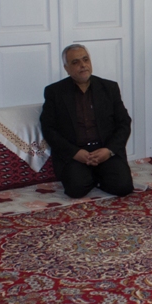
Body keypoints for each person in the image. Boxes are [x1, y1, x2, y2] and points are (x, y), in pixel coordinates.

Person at [40, 44, 134, 198]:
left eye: (85, 60)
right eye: (75, 62)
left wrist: (109, 150)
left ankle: (96, 176)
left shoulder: (109, 88)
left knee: (123, 187)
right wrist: (74, 153)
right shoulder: (55, 92)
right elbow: (48, 128)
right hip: (76, 153)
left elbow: (124, 123)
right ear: (66, 68)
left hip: (104, 150)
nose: (83, 65)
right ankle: (93, 176)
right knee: (75, 189)